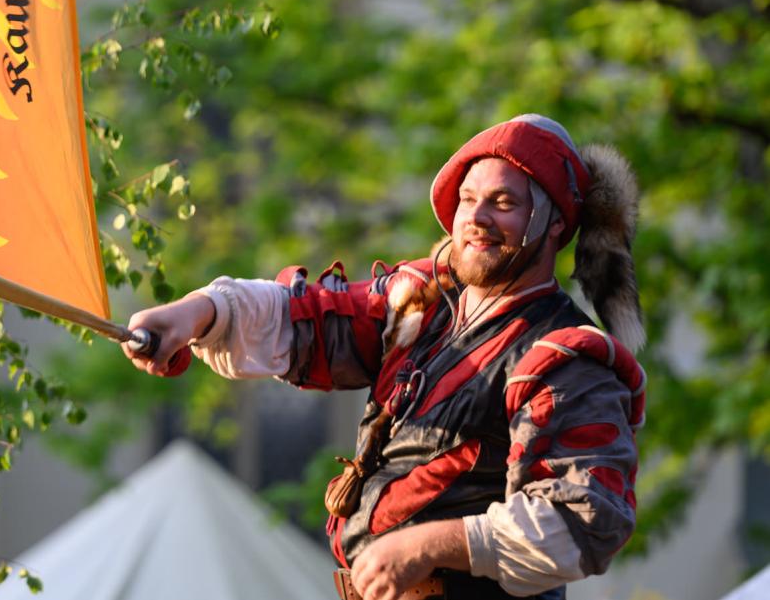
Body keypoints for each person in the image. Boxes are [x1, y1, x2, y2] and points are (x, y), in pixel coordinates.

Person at [123, 115, 646, 600]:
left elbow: (584, 517)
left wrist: (427, 545)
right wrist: (195, 312)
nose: (478, 218)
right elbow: (308, 318)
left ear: (555, 223)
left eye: (503, 203)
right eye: (468, 198)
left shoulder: (566, 358)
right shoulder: (421, 305)